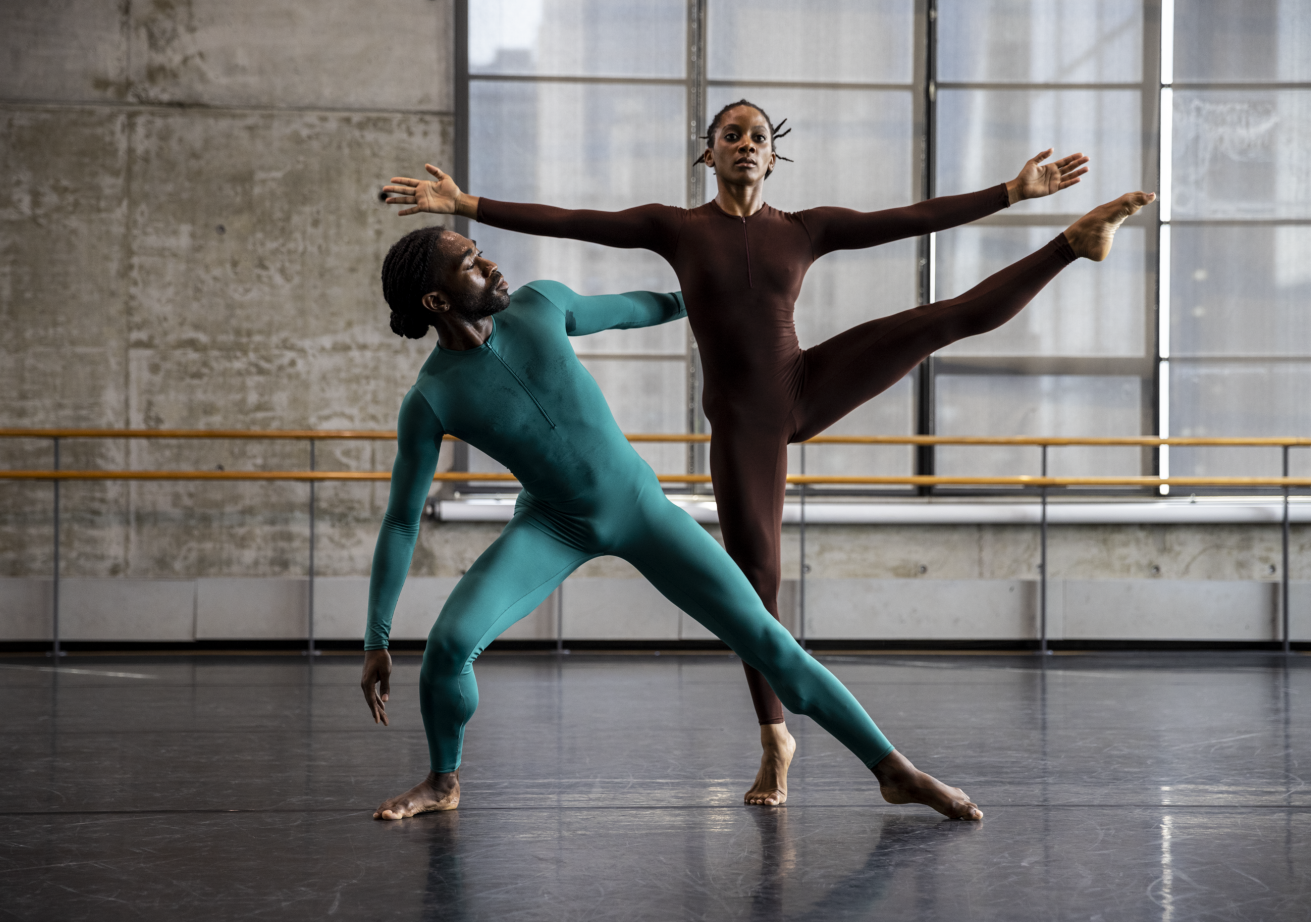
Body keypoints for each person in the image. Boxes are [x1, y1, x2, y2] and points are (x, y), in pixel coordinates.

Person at [381, 100, 1153, 806]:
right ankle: (767, 741)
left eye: (760, 137)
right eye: (732, 135)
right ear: (707, 153)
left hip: (790, 393)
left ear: (772, 158)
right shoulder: (674, 231)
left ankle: (1068, 246)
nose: (747, 144)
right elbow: (577, 220)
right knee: (753, 586)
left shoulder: (797, 229)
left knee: (936, 322)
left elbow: (909, 218)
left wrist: (1010, 194)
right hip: (687, 455)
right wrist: (467, 202)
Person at [359, 225, 985, 821]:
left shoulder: (540, 305)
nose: (491, 264)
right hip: (553, 526)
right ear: (437, 299)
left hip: (640, 509)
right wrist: (377, 639)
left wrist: (708, 297)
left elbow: (641, 307)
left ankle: (893, 770)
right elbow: (400, 524)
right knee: (446, 650)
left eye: (481, 251)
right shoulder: (432, 399)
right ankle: (445, 780)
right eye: (470, 263)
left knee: (770, 645)